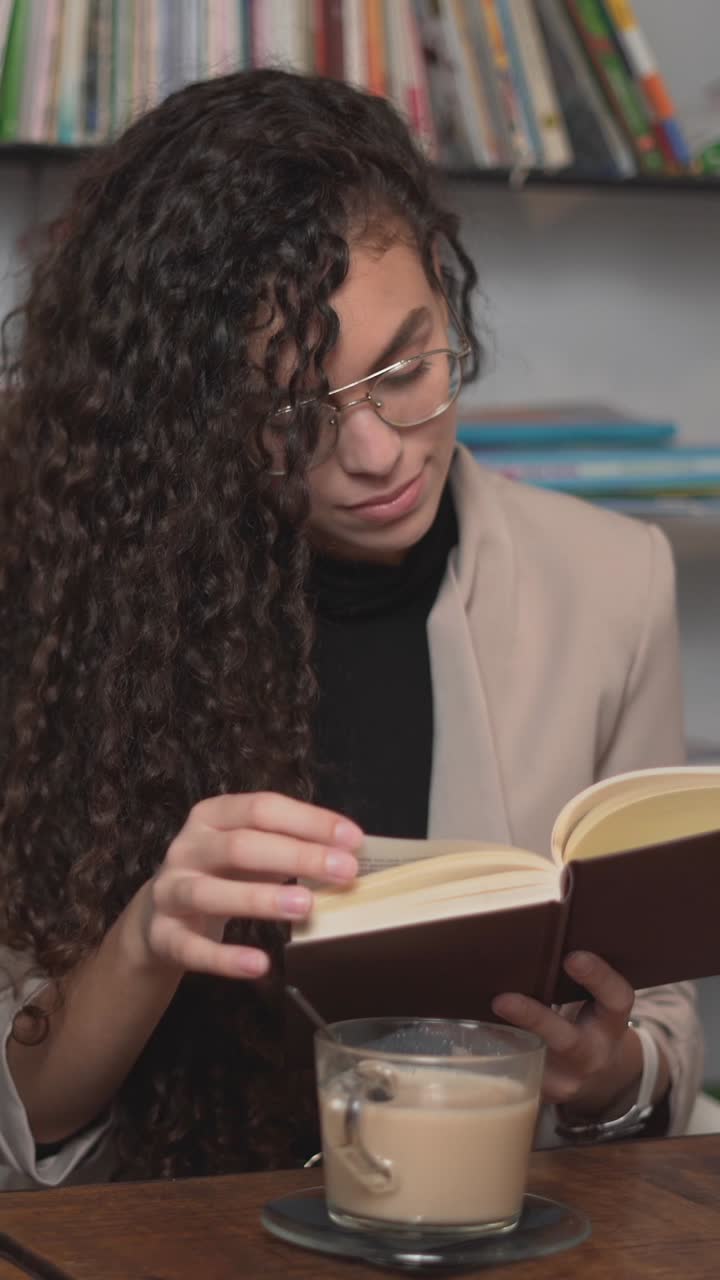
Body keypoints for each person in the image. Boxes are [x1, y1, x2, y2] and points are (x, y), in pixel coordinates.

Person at [0, 68, 702, 1191]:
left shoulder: (611, 583)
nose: (376, 453)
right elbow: (21, 1118)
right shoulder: (76, 609)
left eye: (408, 365)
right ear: (191, 416)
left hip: (483, 1223)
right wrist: (141, 941)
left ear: (446, 283)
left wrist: (605, 1067)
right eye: (292, 412)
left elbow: (661, 1044)